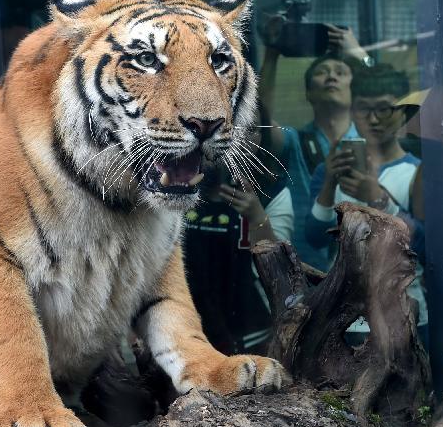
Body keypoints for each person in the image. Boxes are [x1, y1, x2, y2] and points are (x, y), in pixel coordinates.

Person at [304, 65, 428, 343]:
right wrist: (328, 185)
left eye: (384, 109)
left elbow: (425, 245)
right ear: (352, 110)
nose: (372, 119)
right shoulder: (329, 170)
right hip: (342, 316)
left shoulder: (416, 171)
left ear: (403, 113)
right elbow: (313, 238)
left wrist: (379, 199)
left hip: (404, 310)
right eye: (363, 109)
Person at [257, 18, 373, 269]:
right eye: (322, 72)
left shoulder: (372, 139)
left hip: (364, 269)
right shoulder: (295, 141)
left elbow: (389, 95)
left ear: (354, 91)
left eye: (341, 72)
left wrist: (360, 54)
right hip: (306, 270)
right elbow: (261, 123)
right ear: (308, 93)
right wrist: (272, 53)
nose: (332, 76)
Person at [182, 165, 293, 355]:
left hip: (249, 331)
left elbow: (279, 273)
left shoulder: (271, 189)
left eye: (253, 132)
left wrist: (257, 217)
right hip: (183, 326)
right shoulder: (177, 180)